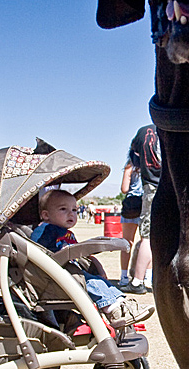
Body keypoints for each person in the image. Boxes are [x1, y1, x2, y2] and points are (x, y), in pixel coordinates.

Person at [31, 188, 154, 329]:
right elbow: (39, 250)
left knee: (97, 280)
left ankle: (120, 304)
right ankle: (114, 309)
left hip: (69, 272)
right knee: (92, 282)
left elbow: (79, 256)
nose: (71, 213)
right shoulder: (46, 229)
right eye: (63, 209)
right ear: (46, 215)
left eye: (74, 210)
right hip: (54, 276)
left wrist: (97, 265)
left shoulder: (66, 233)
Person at [124, 124, 160, 295]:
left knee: (147, 236)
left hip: (152, 186)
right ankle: (153, 278)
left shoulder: (142, 132)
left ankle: (137, 281)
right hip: (171, 185)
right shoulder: (168, 128)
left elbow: (133, 154)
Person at [118, 150, 144, 288]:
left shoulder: (130, 166)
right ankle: (145, 276)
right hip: (145, 203)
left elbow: (124, 188)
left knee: (127, 243)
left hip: (131, 205)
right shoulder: (150, 164)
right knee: (146, 242)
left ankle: (123, 276)